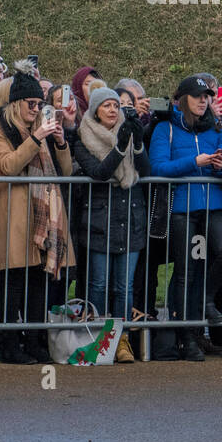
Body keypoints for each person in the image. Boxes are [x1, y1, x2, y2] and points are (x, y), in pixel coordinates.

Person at [0, 69, 75, 364]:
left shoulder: (44, 128)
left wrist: (60, 142)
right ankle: (9, 345)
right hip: (15, 211)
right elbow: (9, 166)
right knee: (13, 280)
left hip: (46, 211)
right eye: (31, 104)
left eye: (40, 103)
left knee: (40, 280)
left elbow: (66, 171)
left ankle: (35, 342)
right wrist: (36, 137)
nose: (36, 109)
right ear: (16, 103)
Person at [147, 75, 222, 362]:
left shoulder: (216, 127)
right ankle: (186, 338)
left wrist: (219, 165)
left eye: (206, 96)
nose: (203, 101)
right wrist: (194, 162)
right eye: (197, 96)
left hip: (212, 204)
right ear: (183, 99)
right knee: (185, 272)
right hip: (181, 208)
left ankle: (206, 300)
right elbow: (158, 167)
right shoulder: (164, 128)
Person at [70, 87, 149, 364]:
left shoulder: (126, 134)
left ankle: (121, 339)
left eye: (116, 105)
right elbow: (99, 173)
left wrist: (136, 144)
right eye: (106, 105)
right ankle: (97, 338)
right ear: (94, 110)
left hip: (130, 218)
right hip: (99, 220)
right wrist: (119, 147)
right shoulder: (82, 138)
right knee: (99, 284)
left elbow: (147, 171)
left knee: (124, 287)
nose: (113, 110)